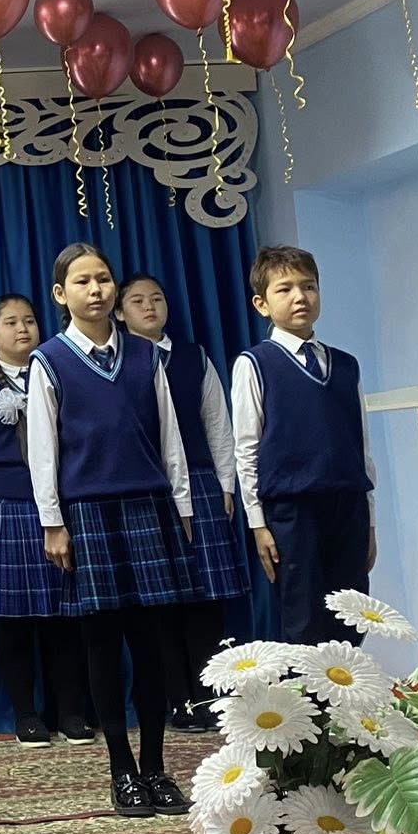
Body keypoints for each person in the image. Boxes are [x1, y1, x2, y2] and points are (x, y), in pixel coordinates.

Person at [27, 245, 195, 821]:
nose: (95, 289)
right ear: (61, 294)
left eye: (103, 279)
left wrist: (182, 505)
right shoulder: (49, 361)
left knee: (152, 646)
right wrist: (53, 521)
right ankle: (121, 769)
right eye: (82, 281)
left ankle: (156, 768)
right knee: (102, 645)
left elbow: (170, 437)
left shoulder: (146, 355)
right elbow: (42, 450)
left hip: (149, 506)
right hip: (87, 514)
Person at [0, 293, 93, 748]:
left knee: (64, 617)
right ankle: (26, 715)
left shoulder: (58, 374)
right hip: (1, 511)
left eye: (29, 320)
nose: (23, 329)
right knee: (12, 622)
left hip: (57, 509)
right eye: (10, 322)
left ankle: (70, 711)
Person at [118, 273, 248, 729]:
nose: (149, 306)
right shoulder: (119, 363)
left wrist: (226, 484)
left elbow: (217, 423)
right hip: (147, 488)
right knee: (161, 603)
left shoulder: (194, 357)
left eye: (156, 298)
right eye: (137, 300)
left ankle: (212, 696)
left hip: (201, 481)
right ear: (120, 313)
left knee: (205, 601)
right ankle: (178, 700)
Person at [231, 245, 378, 646]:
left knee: (352, 618)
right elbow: (247, 450)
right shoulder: (255, 363)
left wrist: (370, 520)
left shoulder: (345, 364)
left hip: (348, 505)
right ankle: (306, 691)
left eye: (309, 286)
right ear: (261, 304)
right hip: (292, 512)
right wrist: (257, 523)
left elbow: (361, 446)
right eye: (285, 289)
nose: (300, 297)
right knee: (303, 619)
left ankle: (350, 688)